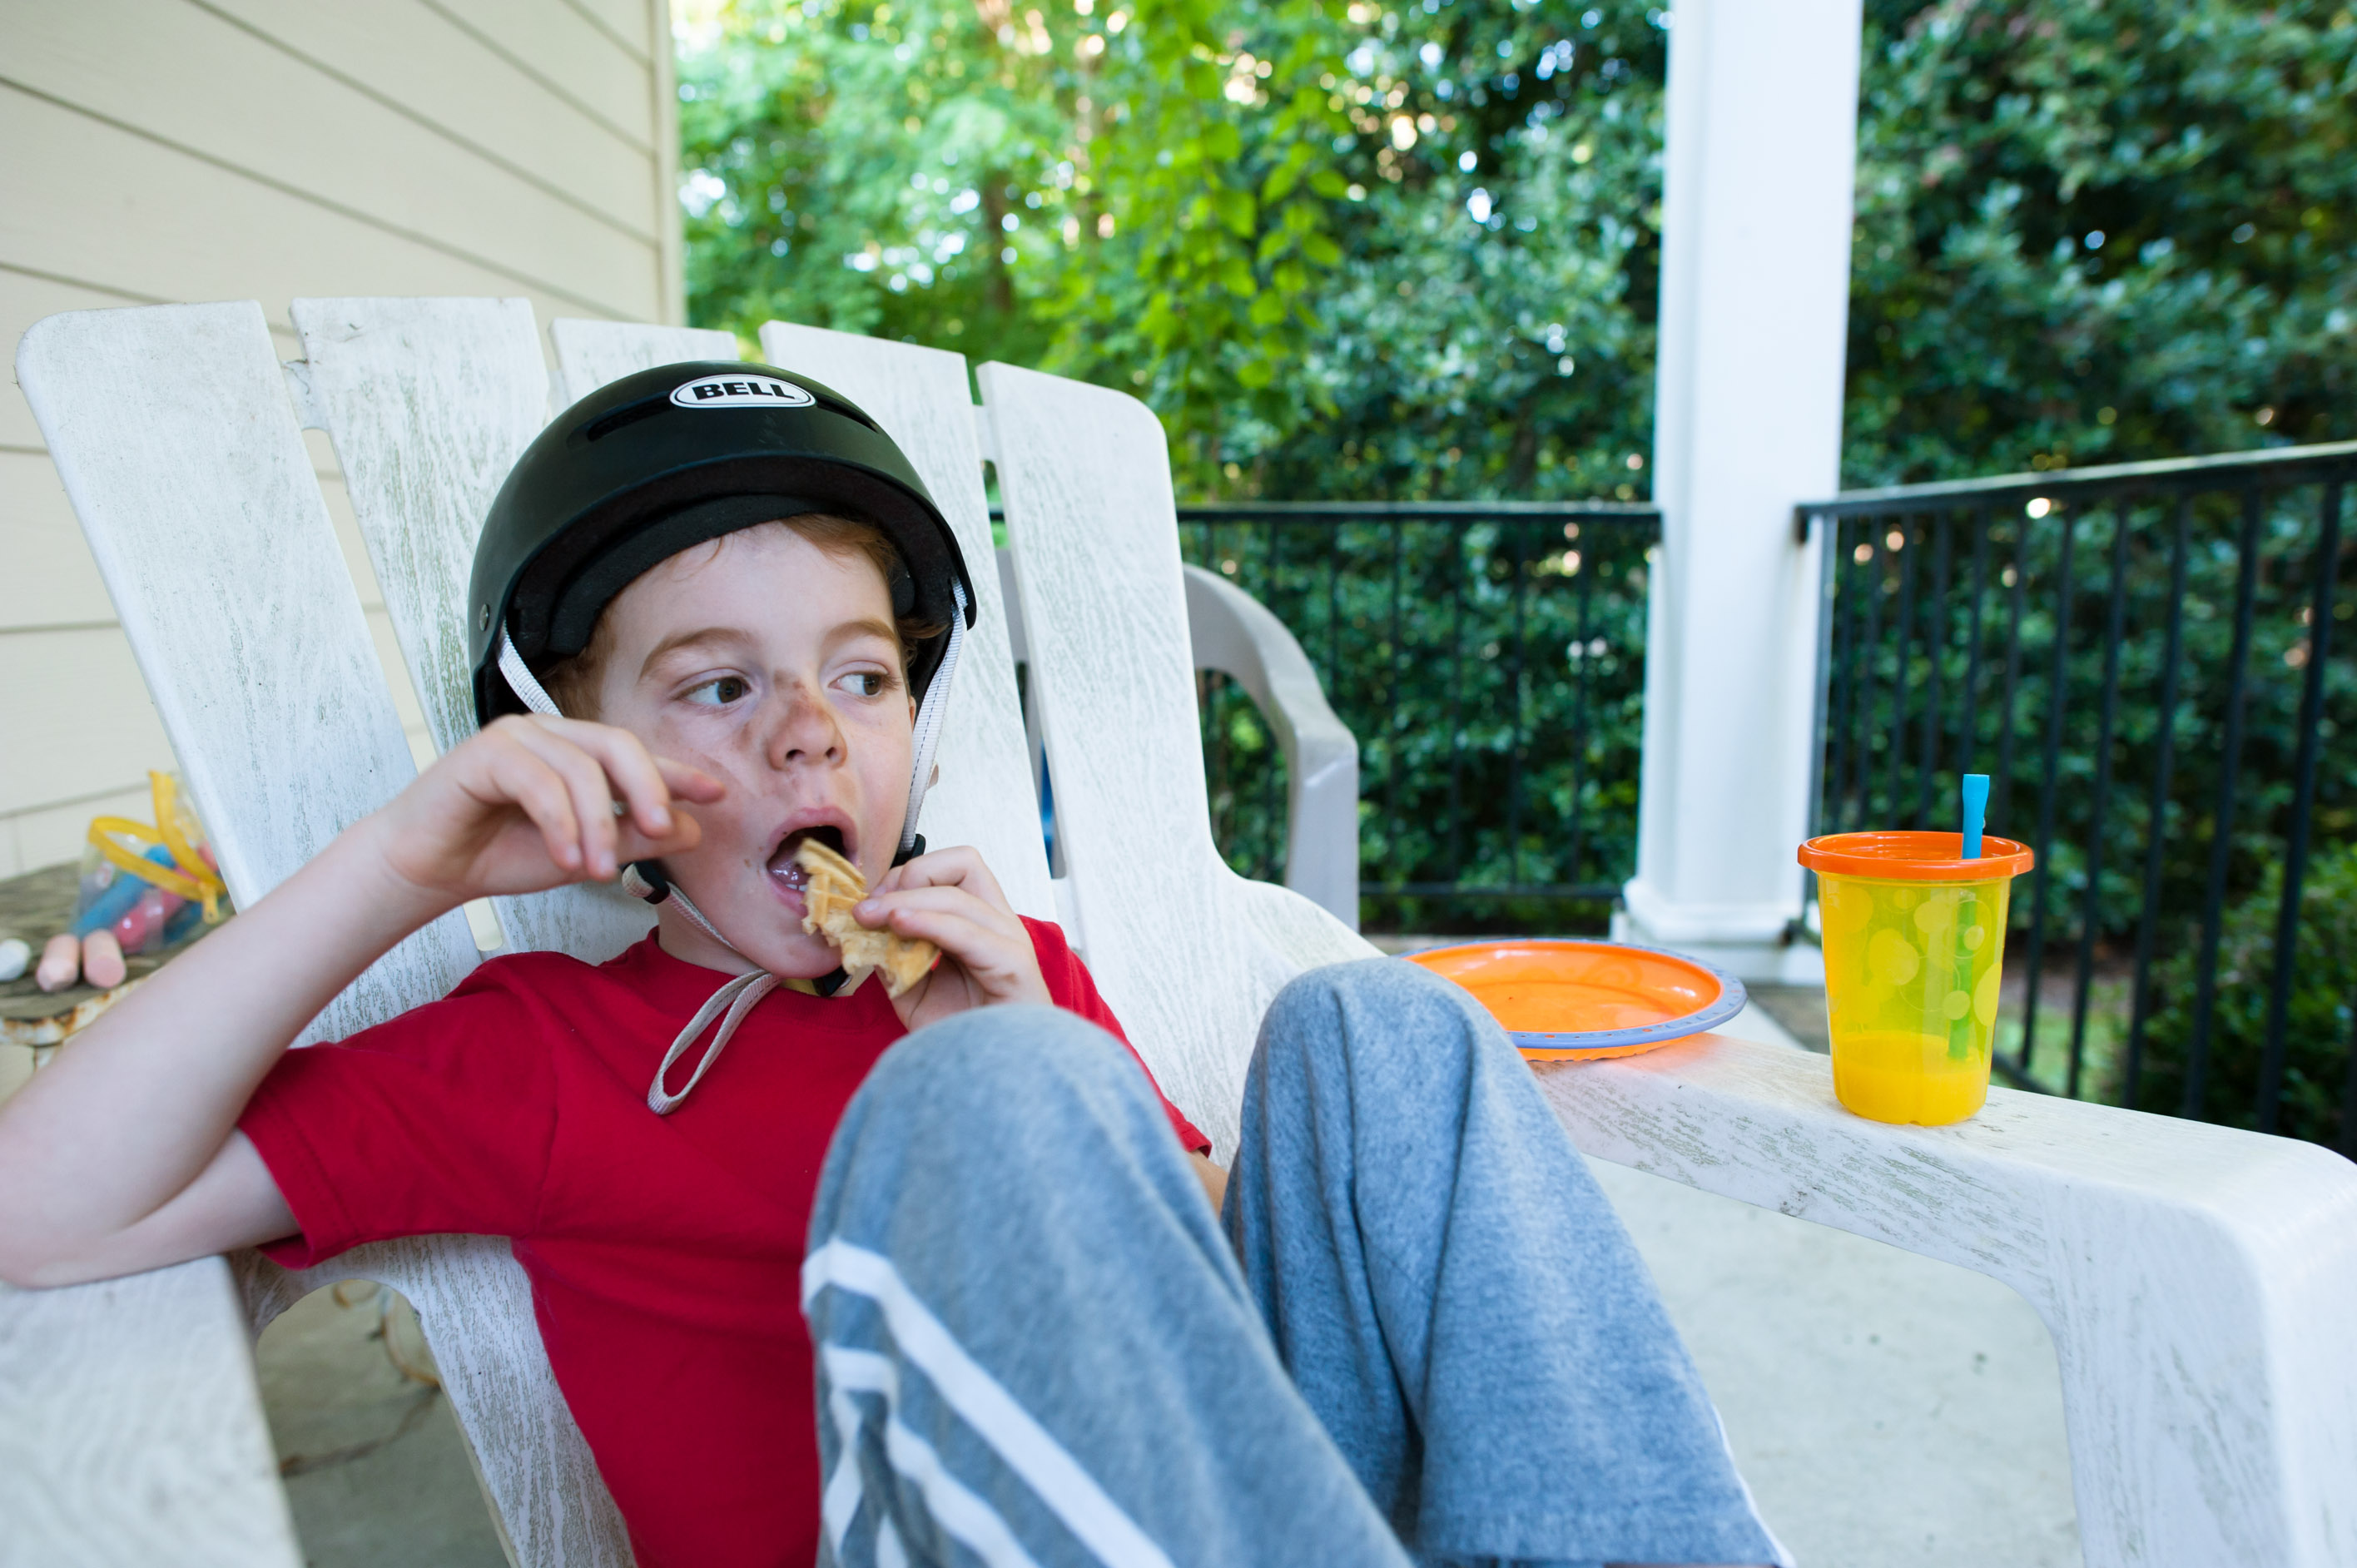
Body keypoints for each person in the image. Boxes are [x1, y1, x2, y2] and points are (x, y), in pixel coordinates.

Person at [0, 365, 1784, 1568]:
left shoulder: (1008, 986)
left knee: (1379, 1029)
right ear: (580, 755)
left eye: (859, 677)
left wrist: (1058, 1075)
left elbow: (1203, 1325)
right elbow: (44, 1214)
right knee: (1000, 1094)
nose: (807, 737)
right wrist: (404, 862)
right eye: (717, 685)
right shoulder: (544, 1051)